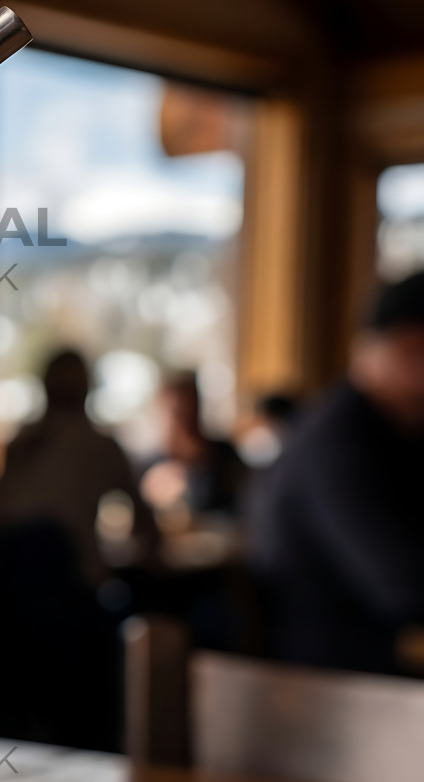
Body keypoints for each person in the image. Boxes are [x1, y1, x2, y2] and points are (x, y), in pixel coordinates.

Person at [251, 274, 424, 675]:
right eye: (415, 355)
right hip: (330, 685)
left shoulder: (397, 428)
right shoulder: (339, 442)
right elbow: (404, 585)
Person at [0, 349, 154, 585]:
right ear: (87, 389)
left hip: (5, 596)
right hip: (72, 590)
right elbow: (147, 525)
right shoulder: (101, 447)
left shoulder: (21, 443)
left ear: (45, 388)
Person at [140, 369, 247, 523]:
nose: (182, 418)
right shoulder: (151, 463)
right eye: (175, 411)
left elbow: (243, 504)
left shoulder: (223, 454)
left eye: (186, 408)